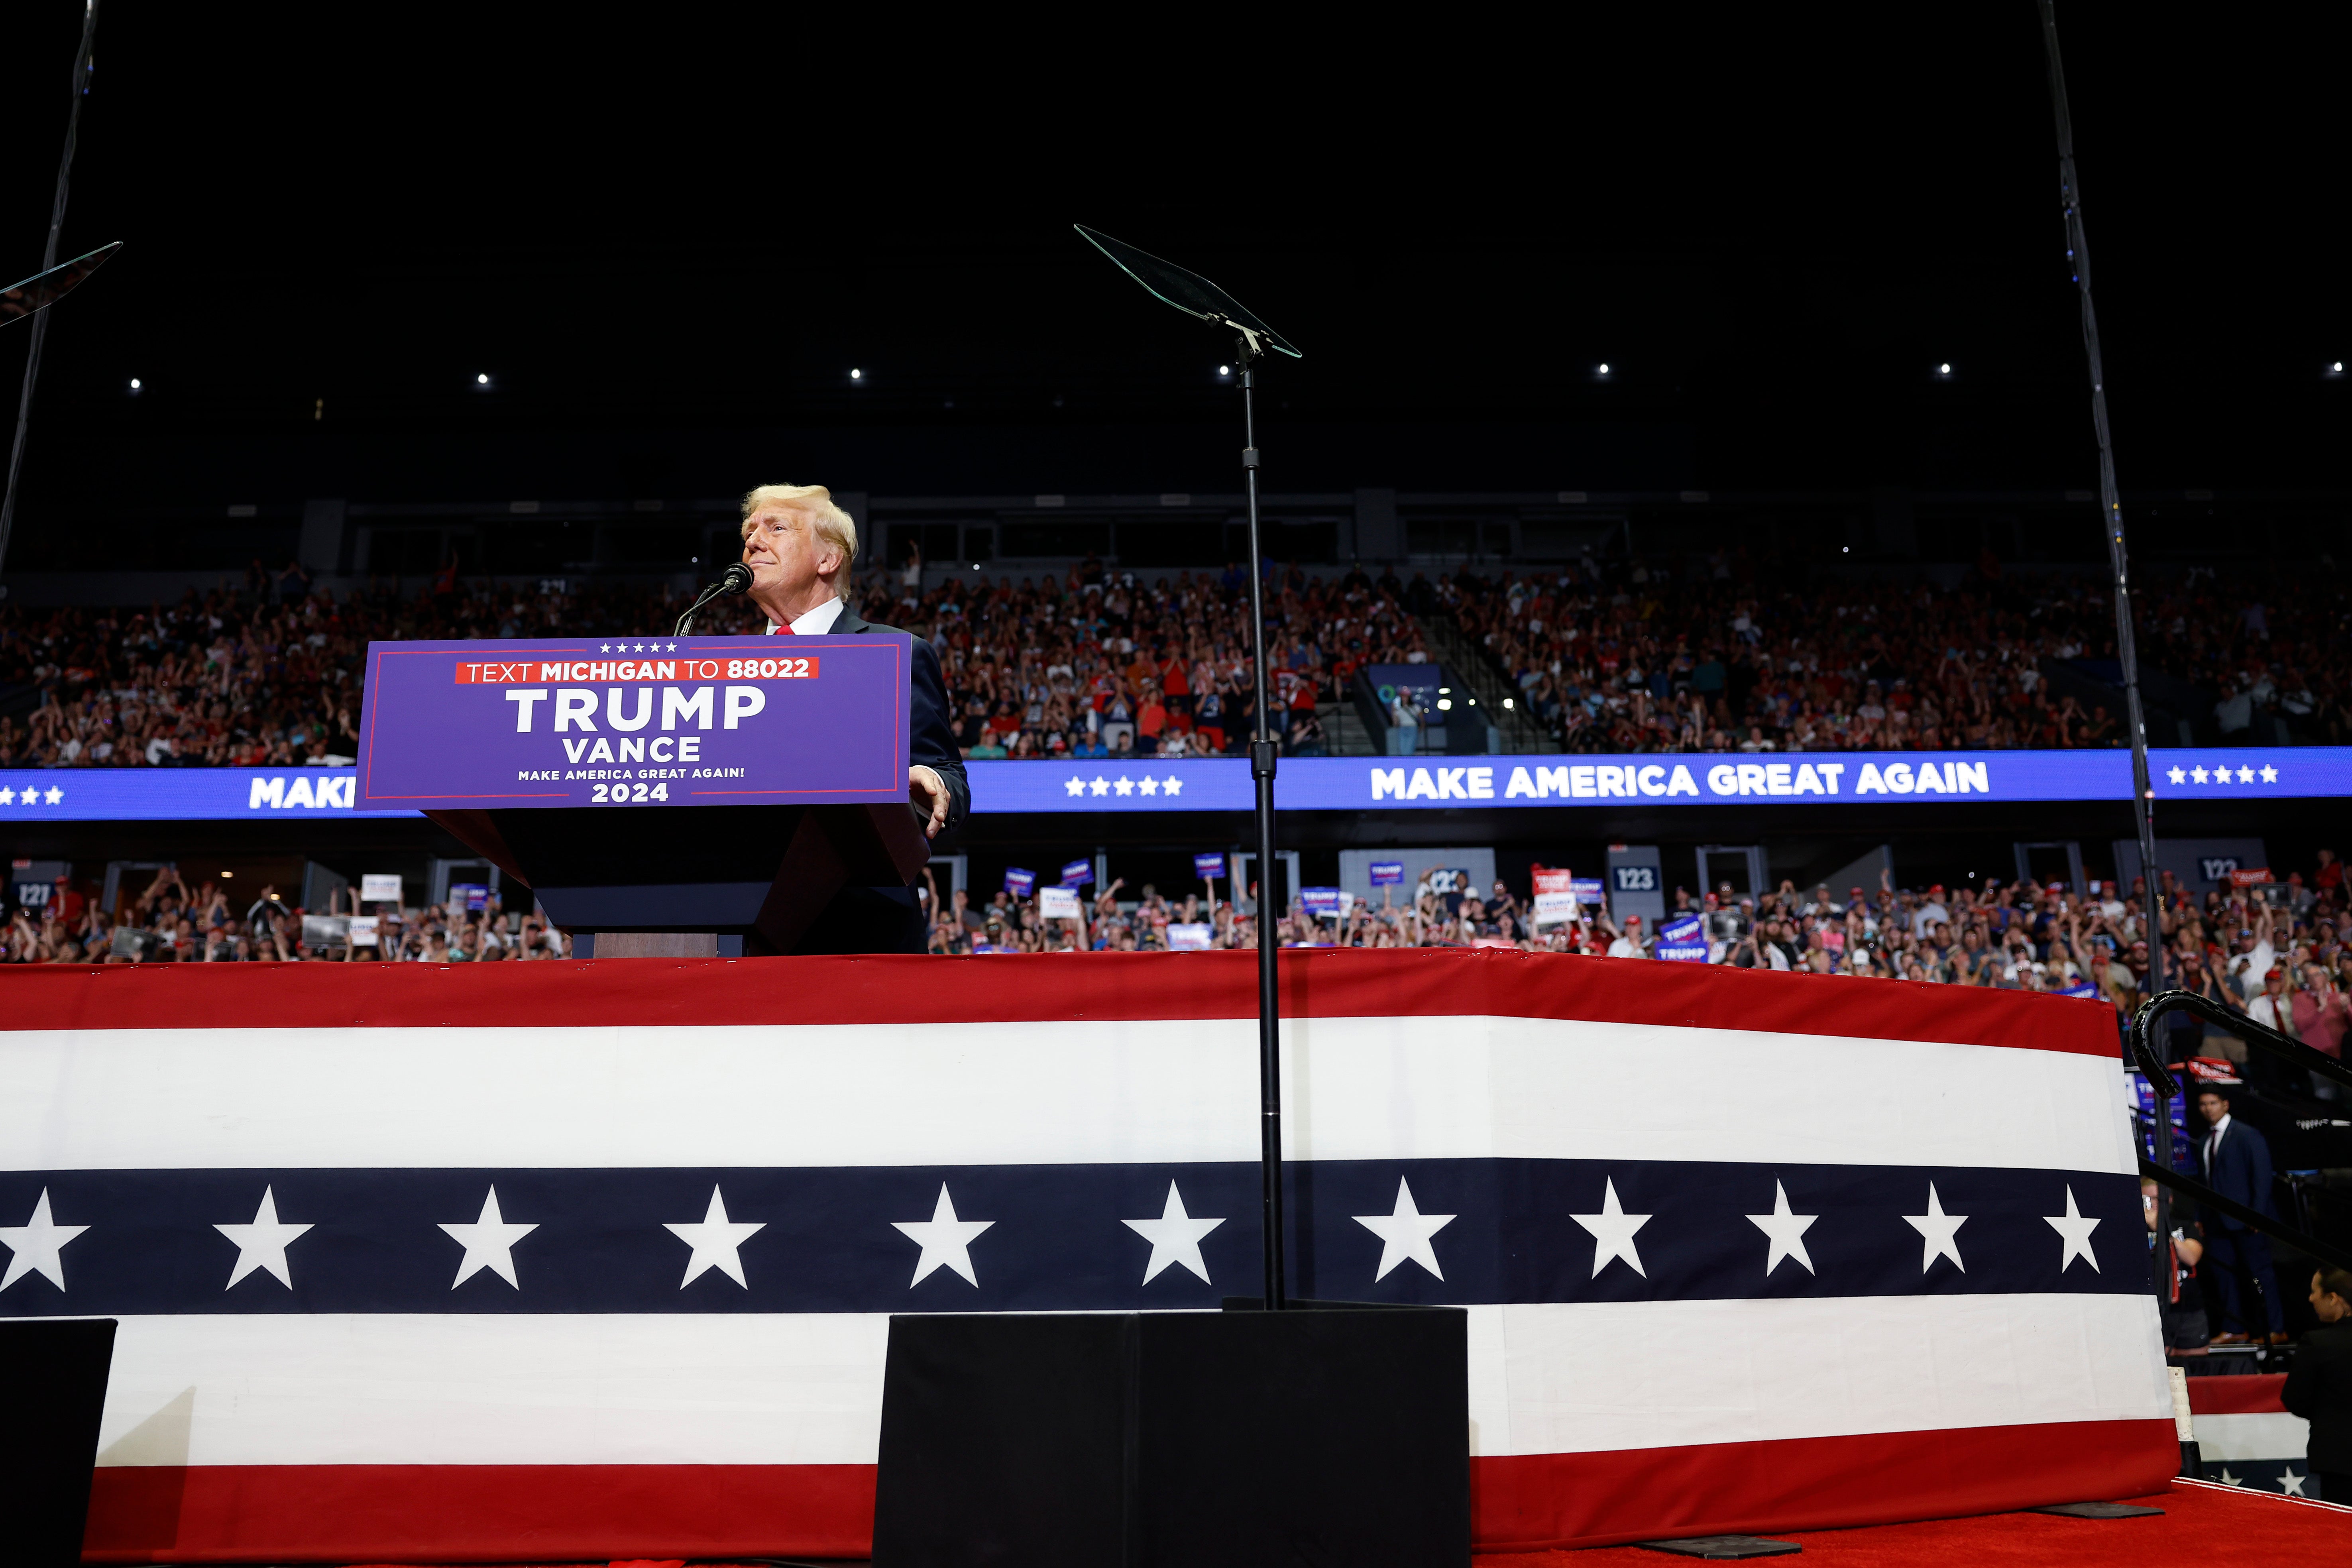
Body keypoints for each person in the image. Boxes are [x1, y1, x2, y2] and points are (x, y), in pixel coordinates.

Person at [739, 482, 967, 953]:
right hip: (736, 926)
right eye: (750, 531)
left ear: (828, 560)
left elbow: (952, 781)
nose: (753, 541)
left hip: (859, 931)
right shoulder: (723, 669)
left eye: (776, 528)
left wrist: (925, 780)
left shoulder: (893, 654)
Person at [2195, 1089, 2285, 1344]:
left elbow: (2261, 1176)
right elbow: (2205, 1183)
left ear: (2225, 1104)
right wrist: (2202, 1215)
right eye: (2203, 1104)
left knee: (2260, 1273)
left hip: (2246, 1221)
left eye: (2213, 1103)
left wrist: (2256, 1215)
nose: (2208, 1108)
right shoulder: (2204, 1140)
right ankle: (2234, 1329)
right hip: (2216, 1222)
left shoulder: (2247, 1134)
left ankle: (2275, 1329)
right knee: (2224, 1275)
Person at [2282, 1266, 2352, 1503]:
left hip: (2338, 1459)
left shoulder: (2317, 1343)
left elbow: (2294, 1399)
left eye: (2315, 1292)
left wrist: (2330, 1414)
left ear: (2334, 1298)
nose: (2311, 1299)